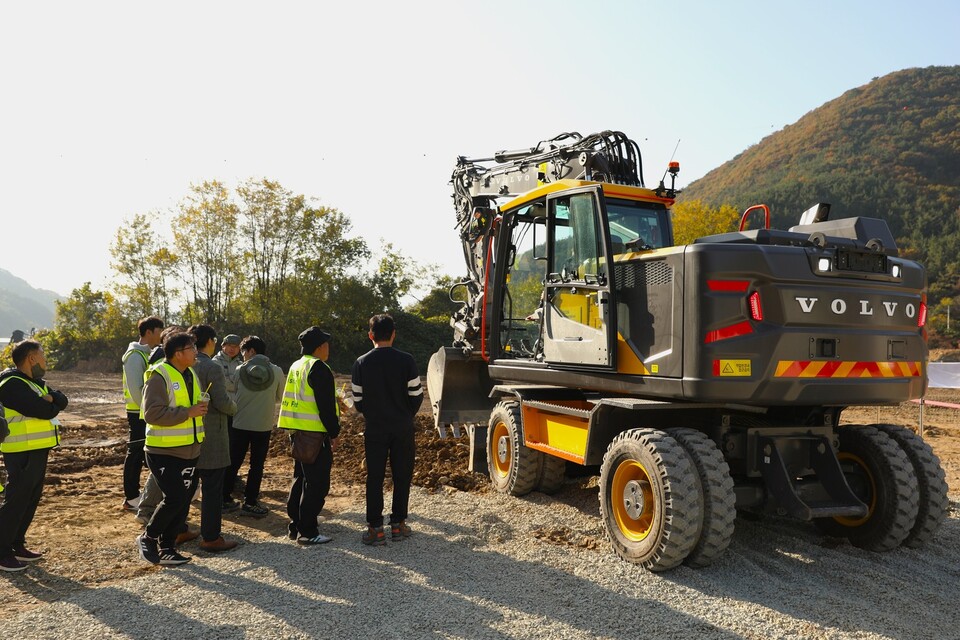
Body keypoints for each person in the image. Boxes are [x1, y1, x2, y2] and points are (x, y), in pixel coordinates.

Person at [136, 331, 208, 566]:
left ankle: (167, 547)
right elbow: (152, 414)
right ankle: (148, 536)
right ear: (178, 354)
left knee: (183, 500)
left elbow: (191, 407)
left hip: (190, 449)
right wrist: (188, 412)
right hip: (163, 451)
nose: (196, 353)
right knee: (175, 498)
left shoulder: (191, 374)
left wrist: (198, 409)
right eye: (192, 349)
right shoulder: (159, 376)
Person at [351, 314, 423, 546]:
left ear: (370, 335)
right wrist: (405, 415)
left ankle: (375, 529)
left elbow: (358, 400)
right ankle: (398, 525)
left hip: (375, 428)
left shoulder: (361, 362)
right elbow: (416, 395)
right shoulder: (407, 360)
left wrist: (372, 414)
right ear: (393, 334)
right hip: (402, 427)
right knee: (402, 475)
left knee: (375, 478)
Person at [0, 340, 68, 572]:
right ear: (31, 358)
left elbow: (62, 400)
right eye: (43, 356)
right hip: (21, 451)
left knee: (30, 499)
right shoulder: (11, 384)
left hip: (36, 449)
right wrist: (49, 402)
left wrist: (51, 399)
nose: (45, 361)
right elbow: (43, 410)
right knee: (16, 501)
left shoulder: (33, 383)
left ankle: (17, 544)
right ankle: (2, 552)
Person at [279, 326, 340, 545]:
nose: (328, 348)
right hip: (315, 435)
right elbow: (325, 408)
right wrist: (334, 432)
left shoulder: (297, 365)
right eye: (326, 344)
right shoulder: (319, 368)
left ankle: (296, 525)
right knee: (317, 484)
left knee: (301, 479)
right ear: (321, 347)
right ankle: (308, 531)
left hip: (297, 433)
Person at [187, 324, 239, 553]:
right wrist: (234, 407)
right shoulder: (211, 366)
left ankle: (179, 528)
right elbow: (222, 401)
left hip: (185, 433)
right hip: (211, 434)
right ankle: (210, 537)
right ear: (211, 341)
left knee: (186, 485)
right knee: (212, 488)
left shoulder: (179, 365)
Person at [224, 335, 283, 518]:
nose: (242, 356)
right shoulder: (278, 371)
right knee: (256, 466)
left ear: (251, 351)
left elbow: (234, 391)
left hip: (239, 423)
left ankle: (224, 497)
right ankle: (250, 502)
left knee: (233, 461)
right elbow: (280, 397)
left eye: (243, 352)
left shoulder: (241, 370)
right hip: (263, 425)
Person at [136, 324, 184, 526]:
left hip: (175, 426)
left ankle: (151, 509)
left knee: (164, 477)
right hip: (164, 428)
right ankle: (146, 509)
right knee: (159, 475)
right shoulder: (160, 361)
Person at [120, 316, 164, 512]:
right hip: (138, 411)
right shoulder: (135, 356)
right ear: (148, 332)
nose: (162, 335)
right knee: (136, 452)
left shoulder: (146, 354)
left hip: (144, 411)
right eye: (159, 331)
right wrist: (148, 411)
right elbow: (137, 389)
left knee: (144, 452)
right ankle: (131, 497)